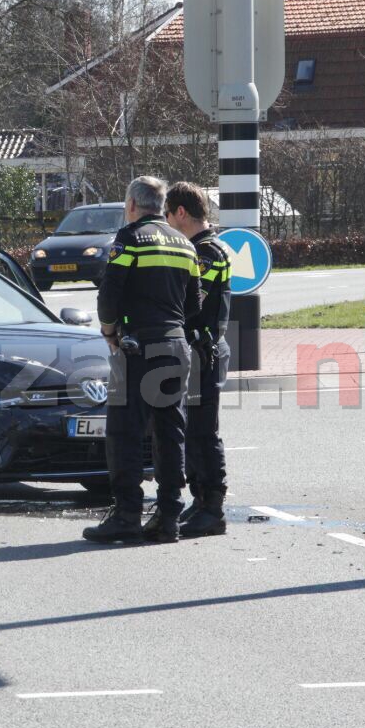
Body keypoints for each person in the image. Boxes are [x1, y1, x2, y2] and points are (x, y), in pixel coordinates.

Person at [84, 176, 202, 545]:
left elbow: (109, 295)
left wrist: (108, 332)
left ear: (132, 205)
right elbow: (195, 304)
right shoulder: (185, 243)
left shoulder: (130, 238)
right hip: (176, 345)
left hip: (137, 347)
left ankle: (126, 515)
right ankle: (169, 519)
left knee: (124, 432)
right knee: (170, 434)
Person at [165, 182, 232, 537]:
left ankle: (213, 508)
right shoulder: (200, 248)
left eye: (167, 215)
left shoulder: (206, 253)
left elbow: (192, 303)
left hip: (204, 352)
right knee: (193, 430)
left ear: (180, 213)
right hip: (198, 350)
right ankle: (201, 500)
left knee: (204, 432)